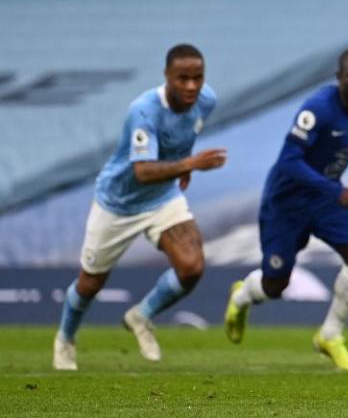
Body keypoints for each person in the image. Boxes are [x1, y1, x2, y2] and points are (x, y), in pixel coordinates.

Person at [223, 47, 348, 371]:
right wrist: (336, 189)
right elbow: (289, 161)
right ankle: (242, 296)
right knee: (276, 284)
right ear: (339, 78)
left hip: (327, 200)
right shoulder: (317, 110)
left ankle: (330, 335)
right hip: (286, 201)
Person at [53, 44, 224, 370]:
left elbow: (186, 132)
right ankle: (65, 339)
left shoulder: (206, 100)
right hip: (118, 202)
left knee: (192, 267)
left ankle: (140, 315)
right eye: (182, 78)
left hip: (162, 198)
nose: (191, 86)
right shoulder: (144, 111)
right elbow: (142, 172)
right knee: (91, 283)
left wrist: (183, 165)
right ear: (166, 77)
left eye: (197, 78)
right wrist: (190, 163)